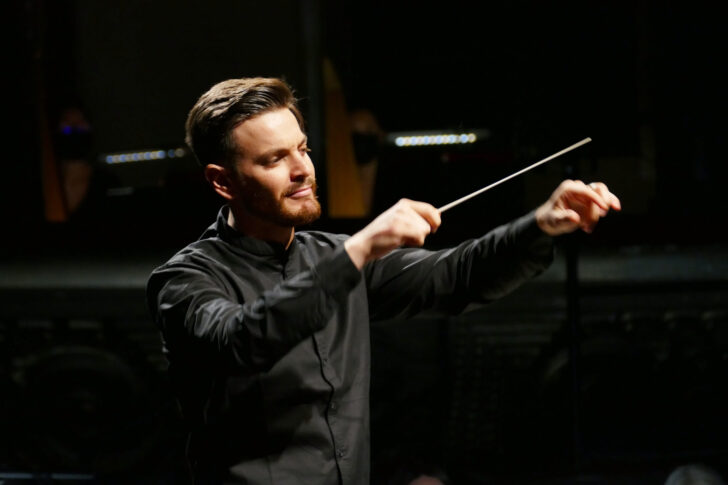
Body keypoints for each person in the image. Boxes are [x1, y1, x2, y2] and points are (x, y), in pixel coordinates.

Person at [146, 77, 621, 484]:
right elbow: (243, 339)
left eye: (303, 149)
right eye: (274, 160)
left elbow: (457, 275)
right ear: (223, 181)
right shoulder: (184, 281)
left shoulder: (333, 255)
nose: (302, 170)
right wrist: (360, 249)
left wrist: (540, 224)